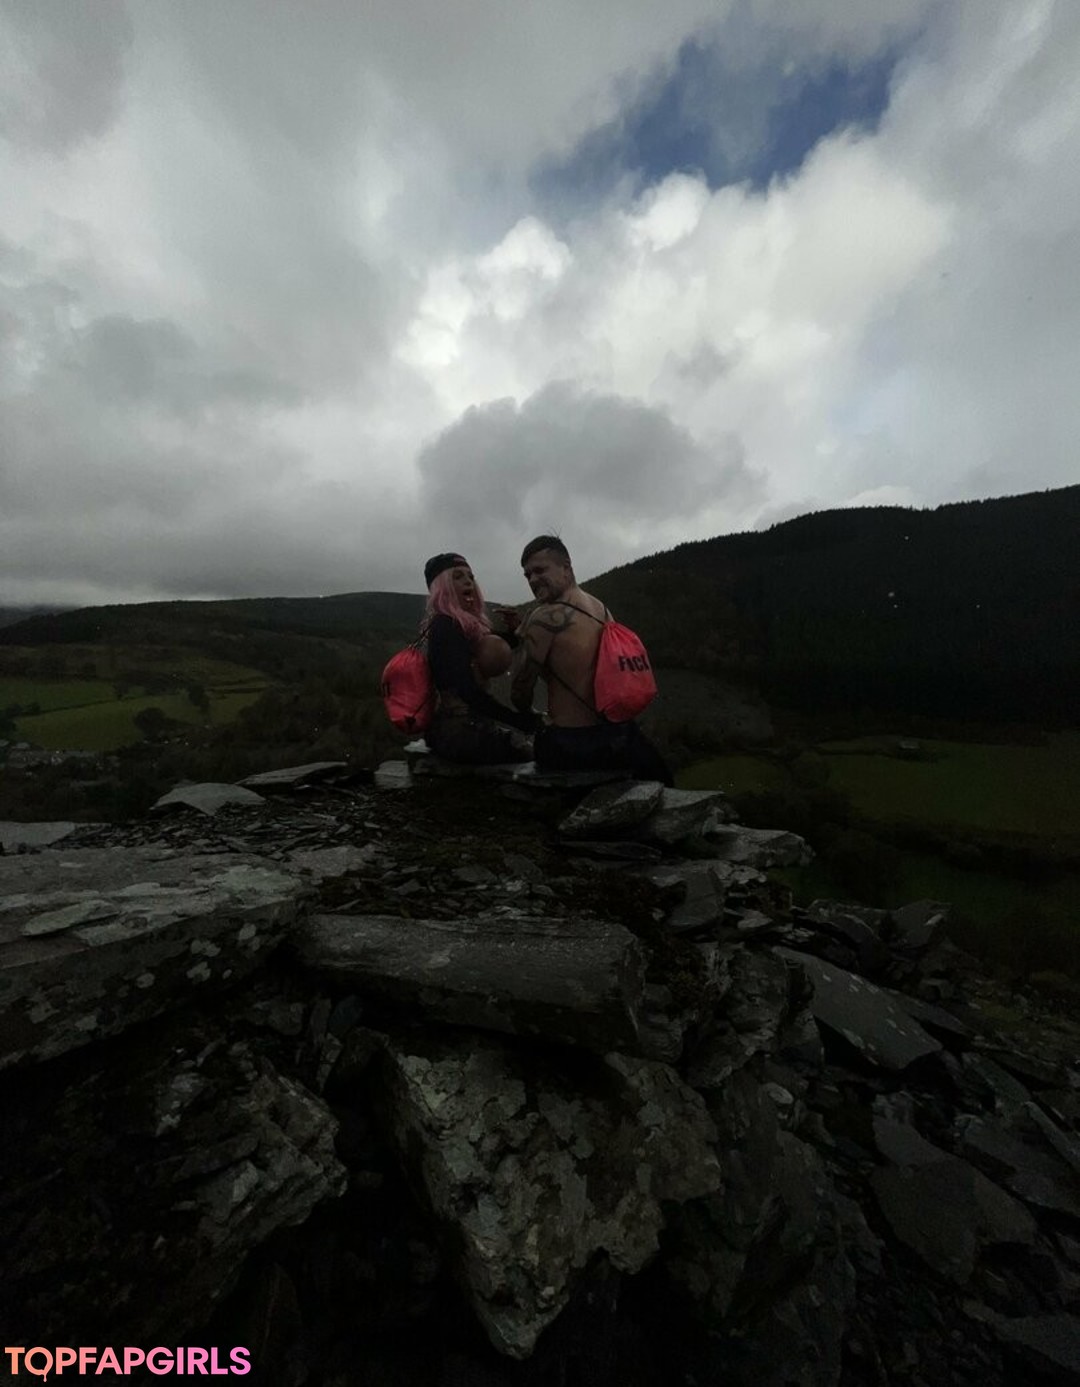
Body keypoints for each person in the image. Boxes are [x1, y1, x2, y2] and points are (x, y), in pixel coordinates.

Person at [510, 536, 674, 785]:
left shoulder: (543, 618)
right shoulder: (601, 609)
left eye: (540, 570)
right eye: (527, 575)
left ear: (566, 567)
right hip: (618, 735)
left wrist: (532, 715)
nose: (532, 580)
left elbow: (520, 691)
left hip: (571, 742)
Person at [421, 552, 541, 764]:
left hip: (467, 725)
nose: (468, 581)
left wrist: (515, 631)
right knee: (533, 754)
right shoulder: (445, 626)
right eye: (457, 576)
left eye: (470, 576)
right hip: (457, 731)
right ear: (442, 588)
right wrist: (518, 721)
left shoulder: (463, 625)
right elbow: (468, 692)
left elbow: (497, 646)